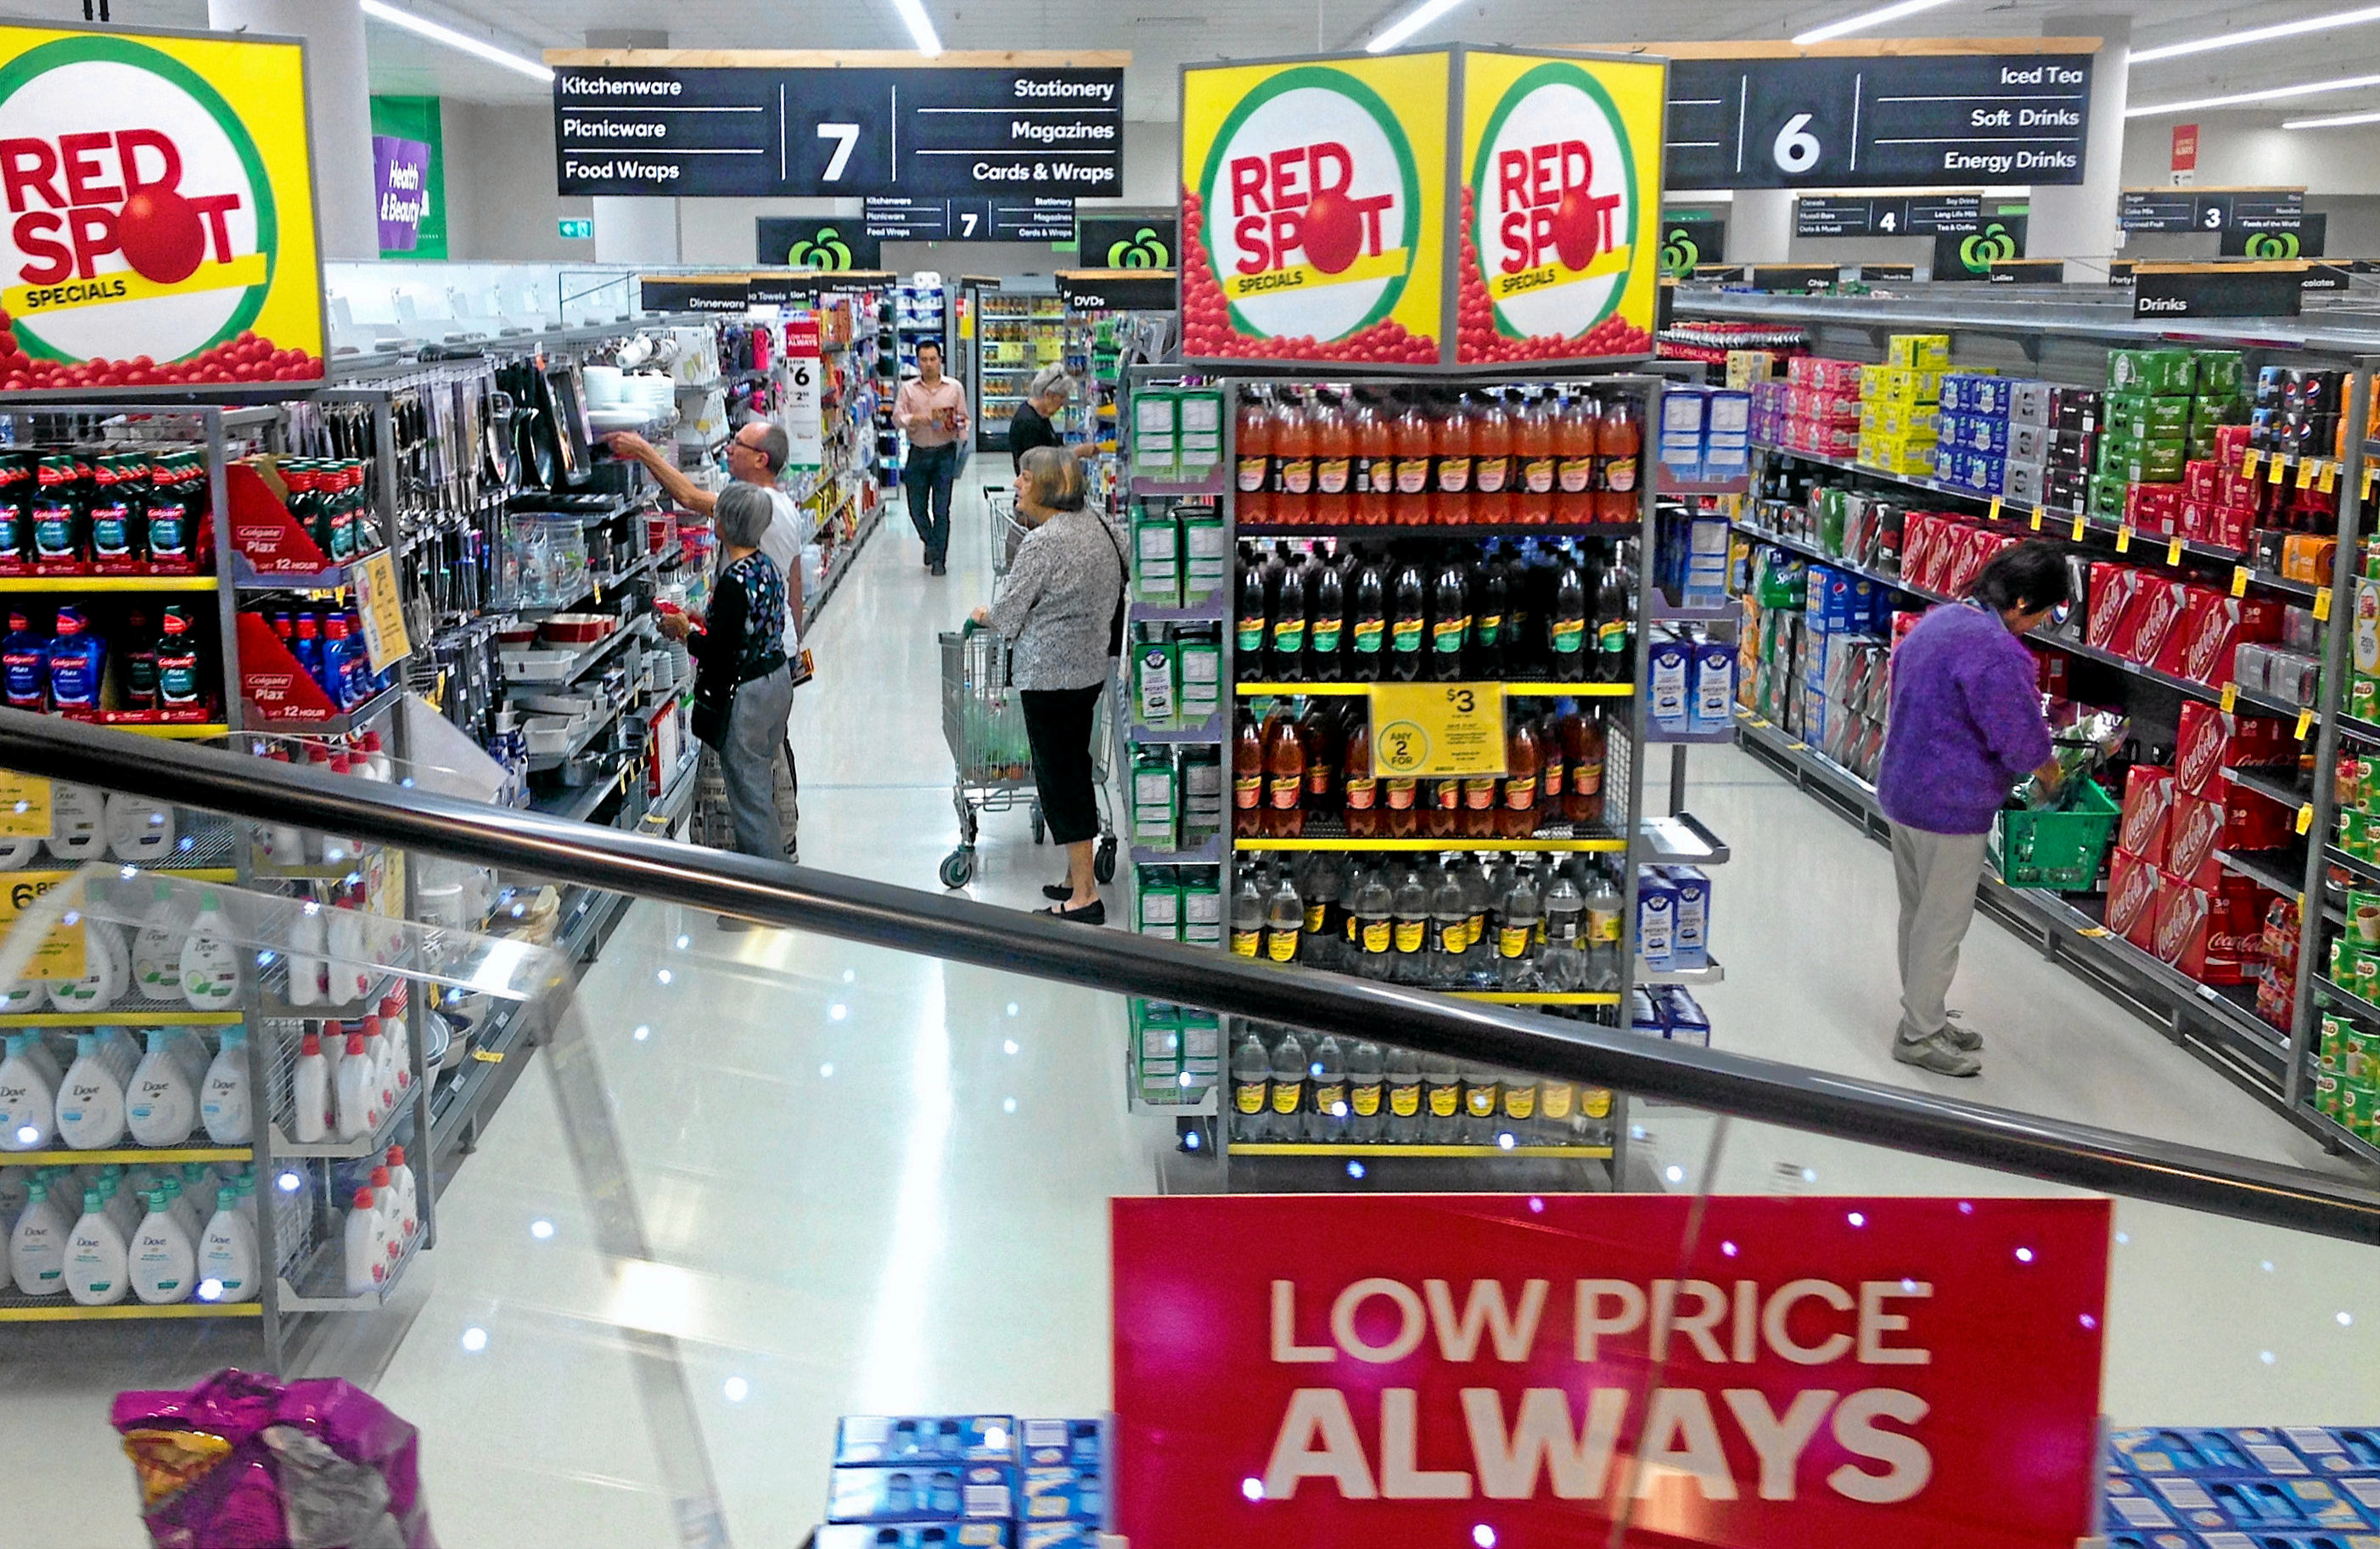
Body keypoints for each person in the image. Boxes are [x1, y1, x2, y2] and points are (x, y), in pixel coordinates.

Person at [1875, 540, 2069, 1077]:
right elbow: (2018, 733)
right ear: (2023, 600)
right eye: (2045, 613)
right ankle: (1918, 1036)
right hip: (1950, 804)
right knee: (1942, 924)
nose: (2041, 624)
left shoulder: (1937, 623)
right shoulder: (1995, 650)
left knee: (1917, 914)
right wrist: (2049, 773)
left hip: (1903, 788)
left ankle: (1925, 1015)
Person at [607, 419, 805, 861]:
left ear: (762, 459)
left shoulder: (752, 521)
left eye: (739, 444)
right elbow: (791, 589)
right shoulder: (768, 550)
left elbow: (690, 498)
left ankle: (762, 885)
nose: (729, 448)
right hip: (775, 663)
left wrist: (641, 449)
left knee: (747, 788)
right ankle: (780, 850)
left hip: (747, 682)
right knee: (767, 774)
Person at [969, 446, 1125, 924]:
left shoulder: (1044, 542)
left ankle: (1083, 895)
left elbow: (1008, 615)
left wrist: (984, 615)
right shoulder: (1097, 524)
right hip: (1087, 669)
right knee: (1074, 767)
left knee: (1062, 781)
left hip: (1049, 676)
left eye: (1023, 476)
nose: (1016, 484)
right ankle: (1074, 874)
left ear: (1045, 486)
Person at [656, 484, 794, 925]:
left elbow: (721, 652)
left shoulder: (734, 581)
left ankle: (765, 904)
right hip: (776, 682)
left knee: (748, 796)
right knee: (761, 787)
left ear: (723, 525)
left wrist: (684, 630)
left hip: (747, 694)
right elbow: (747, 630)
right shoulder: (767, 566)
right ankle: (775, 879)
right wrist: (706, 624)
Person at [895, 339, 968, 575]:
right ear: (917, 362)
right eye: (924, 360)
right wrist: (915, 419)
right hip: (918, 452)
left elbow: (964, 419)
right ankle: (930, 541)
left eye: (933, 359)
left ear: (940, 360)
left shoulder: (954, 388)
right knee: (916, 508)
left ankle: (939, 560)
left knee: (941, 509)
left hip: (944, 453)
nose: (929, 364)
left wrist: (956, 427)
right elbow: (897, 418)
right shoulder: (908, 389)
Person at [1005, 366, 1097, 470]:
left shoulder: (1039, 415)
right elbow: (1041, 467)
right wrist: (1077, 453)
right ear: (1048, 394)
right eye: (1061, 397)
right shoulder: (1028, 423)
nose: (1062, 403)